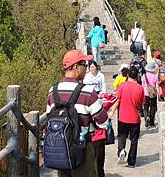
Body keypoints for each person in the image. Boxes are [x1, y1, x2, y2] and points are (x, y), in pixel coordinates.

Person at [46, 49, 108, 177]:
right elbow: (103, 123)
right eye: (84, 65)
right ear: (75, 67)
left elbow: (49, 117)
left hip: (61, 150)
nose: (86, 68)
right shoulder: (88, 91)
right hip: (83, 149)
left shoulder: (53, 91)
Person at [107, 65, 145, 168]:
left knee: (122, 136)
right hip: (135, 118)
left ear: (127, 75)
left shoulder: (122, 86)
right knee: (134, 140)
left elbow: (117, 100)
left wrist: (112, 112)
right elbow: (142, 103)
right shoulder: (140, 88)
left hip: (123, 117)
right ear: (137, 76)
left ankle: (121, 150)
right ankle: (132, 162)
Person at [141, 61, 159, 127]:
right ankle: (152, 122)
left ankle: (146, 118)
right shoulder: (156, 76)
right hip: (153, 93)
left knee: (145, 107)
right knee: (153, 107)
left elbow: (142, 85)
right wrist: (159, 93)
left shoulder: (144, 76)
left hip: (145, 93)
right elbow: (157, 86)